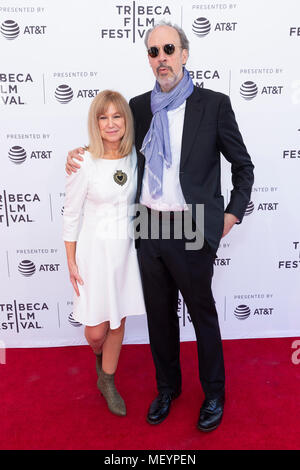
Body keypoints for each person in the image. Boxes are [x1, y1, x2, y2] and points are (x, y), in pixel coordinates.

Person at [66, 22, 254, 432]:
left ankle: (214, 394)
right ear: (149, 60)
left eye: (169, 48)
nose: (161, 57)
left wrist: (232, 213)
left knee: (202, 314)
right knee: (159, 316)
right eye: (153, 51)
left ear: (184, 54)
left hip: (191, 226)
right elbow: (110, 147)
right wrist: (78, 154)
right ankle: (167, 388)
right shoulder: (138, 107)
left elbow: (243, 166)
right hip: (147, 225)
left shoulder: (214, 105)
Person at [63, 90, 146, 417]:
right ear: (95, 123)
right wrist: (70, 259)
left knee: (118, 319)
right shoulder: (83, 161)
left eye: (117, 116)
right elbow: (70, 214)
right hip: (93, 254)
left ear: (126, 121)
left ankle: (107, 380)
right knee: (96, 331)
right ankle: (99, 356)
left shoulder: (137, 158)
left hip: (124, 253)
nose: (111, 124)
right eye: (103, 117)